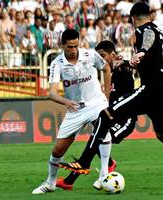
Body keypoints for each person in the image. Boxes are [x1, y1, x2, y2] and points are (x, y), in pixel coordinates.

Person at [61, 2, 163, 189]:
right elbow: (147, 60)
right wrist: (125, 61)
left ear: (134, 18)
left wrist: (140, 51)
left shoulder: (145, 30)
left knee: (105, 114)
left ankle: (84, 162)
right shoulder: (160, 32)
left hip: (152, 89)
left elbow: (147, 38)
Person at [31, 29, 112, 194]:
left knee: (103, 128)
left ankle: (104, 174)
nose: (74, 50)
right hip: (75, 110)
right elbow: (52, 93)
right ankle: (50, 183)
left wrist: (106, 96)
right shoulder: (57, 63)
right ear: (62, 45)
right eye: (70, 47)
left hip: (96, 103)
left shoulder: (90, 55)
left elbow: (107, 69)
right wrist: (66, 101)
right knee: (58, 150)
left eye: (76, 46)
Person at [56, 40, 137, 190]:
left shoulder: (122, 71)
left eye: (103, 56)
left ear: (113, 55)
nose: (101, 59)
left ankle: (72, 179)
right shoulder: (105, 72)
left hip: (125, 119)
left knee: (97, 139)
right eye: (98, 56)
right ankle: (98, 170)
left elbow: (134, 68)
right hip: (110, 116)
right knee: (97, 139)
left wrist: (124, 62)